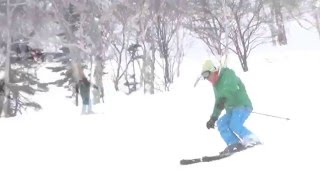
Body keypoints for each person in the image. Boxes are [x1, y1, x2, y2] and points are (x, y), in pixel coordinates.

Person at [201, 60, 261, 156]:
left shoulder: (227, 74)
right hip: (231, 110)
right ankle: (234, 143)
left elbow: (232, 86)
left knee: (234, 124)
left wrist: (224, 98)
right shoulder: (215, 86)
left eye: (209, 76)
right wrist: (213, 118)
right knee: (221, 123)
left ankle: (252, 139)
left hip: (241, 105)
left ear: (214, 71)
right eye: (207, 79)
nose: (209, 80)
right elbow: (218, 101)